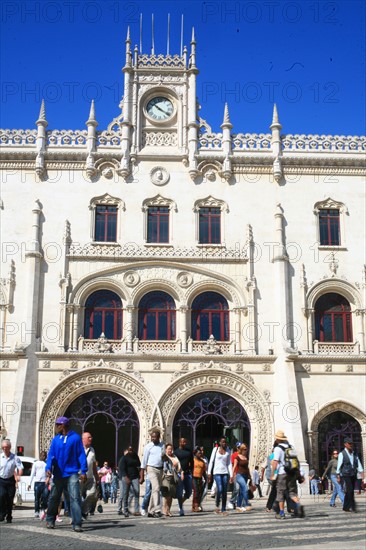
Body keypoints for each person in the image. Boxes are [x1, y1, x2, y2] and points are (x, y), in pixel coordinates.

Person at [45, 416, 87, 532]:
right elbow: (50, 455)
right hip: (58, 474)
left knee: (75, 498)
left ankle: (77, 523)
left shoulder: (75, 438)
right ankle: (50, 519)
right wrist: (48, 467)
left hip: (72, 473)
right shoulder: (55, 440)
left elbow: (81, 455)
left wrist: (83, 470)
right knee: (54, 498)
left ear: (63, 425)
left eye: (58, 424)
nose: (56, 426)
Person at [270, 430, 304, 520]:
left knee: (280, 493)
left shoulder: (277, 449)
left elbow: (275, 462)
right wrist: (299, 474)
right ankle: (298, 506)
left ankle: (281, 513)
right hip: (292, 473)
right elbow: (296, 461)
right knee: (292, 492)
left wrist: (273, 473)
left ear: (277, 439)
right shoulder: (291, 447)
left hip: (282, 473)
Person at [140, 430, 166, 518]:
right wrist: (142, 474)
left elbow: (164, 458)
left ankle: (151, 511)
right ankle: (158, 509)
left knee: (154, 490)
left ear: (159, 437)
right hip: (151, 468)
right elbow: (144, 460)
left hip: (160, 469)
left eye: (155, 437)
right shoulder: (148, 446)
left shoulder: (163, 445)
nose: (153, 438)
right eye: (152, 437)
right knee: (156, 488)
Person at [336, 437, 364, 513]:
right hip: (345, 474)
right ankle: (353, 506)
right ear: (345, 444)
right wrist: (338, 476)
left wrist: (362, 472)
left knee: (349, 491)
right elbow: (339, 465)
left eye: (352, 443)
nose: (351, 445)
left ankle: (345, 507)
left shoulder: (354, 453)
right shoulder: (342, 454)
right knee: (350, 490)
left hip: (353, 474)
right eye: (349, 443)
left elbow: (358, 463)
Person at [0, 439, 23, 523]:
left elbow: (20, 468)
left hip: (10, 481)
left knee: (10, 499)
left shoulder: (15, 458)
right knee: (1, 495)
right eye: (3, 448)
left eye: (6, 447)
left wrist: (18, 476)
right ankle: (2, 513)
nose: (4, 449)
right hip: (1, 480)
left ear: (9, 448)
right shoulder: (0, 457)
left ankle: (9, 515)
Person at [208, 437, 233, 515]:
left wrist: (231, 475)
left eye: (225, 442)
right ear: (219, 442)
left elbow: (229, 463)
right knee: (220, 489)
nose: (224, 443)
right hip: (217, 472)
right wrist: (209, 473)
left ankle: (223, 508)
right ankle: (217, 504)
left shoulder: (228, 450)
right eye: (222, 442)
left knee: (225, 490)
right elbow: (211, 461)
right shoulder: (215, 450)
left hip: (225, 472)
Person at [80, 432, 99, 519]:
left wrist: (97, 477)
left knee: (92, 494)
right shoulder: (78, 449)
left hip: (90, 477)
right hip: (79, 477)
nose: (91, 439)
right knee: (77, 497)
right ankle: (75, 516)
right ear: (83, 439)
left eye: (91, 437)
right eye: (89, 437)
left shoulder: (92, 450)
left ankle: (83, 510)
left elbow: (94, 464)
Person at [118, 446, 141, 517]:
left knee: (137, 492)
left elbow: (139, 464)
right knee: (126, 494)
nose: (130, 451)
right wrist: (125, 477)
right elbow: (122, 468)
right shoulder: (124, 458)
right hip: (126, 477)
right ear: (127, 450)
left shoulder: (135, 456)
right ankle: (125, 510)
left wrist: (140, 475)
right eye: (129, 450)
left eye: (131, 450)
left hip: (135, 476)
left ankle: (136, 510)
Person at [174, 437, 194, 516]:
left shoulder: (188, 451)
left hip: (187, 473)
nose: (184, 443)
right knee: (180, 492)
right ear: (179, 442)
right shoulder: (176, 452)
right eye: (182, 442)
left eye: (185, 442)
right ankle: (180, 507)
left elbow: (192, 462)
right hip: (179, 474)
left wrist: (191, 470)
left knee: (189, 492)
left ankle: (181, 502)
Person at [28, 450, 49, 518]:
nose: (43, 457)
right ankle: (36, 511)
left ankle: (43, 510)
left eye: (44, 456)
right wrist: (29, 484)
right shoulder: (36, 463)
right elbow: (32, 474)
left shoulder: (47, 464)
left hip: (44, 482)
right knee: (37, 498)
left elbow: (50, 473)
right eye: (42, 455)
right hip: (37, 483)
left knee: (45, 497)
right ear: (40, 456)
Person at [162, 443, 181, 517]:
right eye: (168, 449)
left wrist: (179, 470)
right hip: (166, 477)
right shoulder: (164, 457)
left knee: (171, 494)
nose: (170, 450)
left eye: (171, 449)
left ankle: (168, 510)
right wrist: (173, 465)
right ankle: (165, 509)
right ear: (166, 450)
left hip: (173, 477)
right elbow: (164, 467)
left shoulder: (174, 456)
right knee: (167, 494)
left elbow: (178, 466)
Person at [233, 443, 252, 512]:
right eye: (244, 449)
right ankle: (247, 504)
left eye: (246, 449)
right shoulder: (237, 457)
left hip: (245, 475)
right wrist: (232, 476)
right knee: (245, 488)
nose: (246, 451)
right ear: (241, 450)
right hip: (239, 475)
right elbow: (234, 467)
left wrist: (250, 476)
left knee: (241, 492)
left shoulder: (246, 457)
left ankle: (238, 506)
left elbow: (247, 468)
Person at [192, 446, 207, 512]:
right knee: (196, 492)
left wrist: (206, 478)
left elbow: (203, 471)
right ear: (195, 453)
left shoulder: (202, 462)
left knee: (200, 492)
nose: (200, 454)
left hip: (200, 478)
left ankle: (195, 505)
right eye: (198, 453)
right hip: (194, 477)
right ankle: (196, 506)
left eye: (200, 453)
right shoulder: (193, 460)